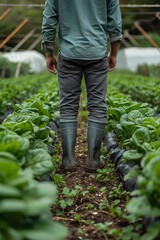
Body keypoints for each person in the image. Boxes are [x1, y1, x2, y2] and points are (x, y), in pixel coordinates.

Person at [41, 0, 122, 171]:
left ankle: (68, 161)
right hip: (97, 52)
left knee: (68, 106)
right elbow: (114, 22)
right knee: (98, 106)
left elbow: (49, 20)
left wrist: (49, 53)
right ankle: (93, 161)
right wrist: (114, 52)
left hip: (69, 53)